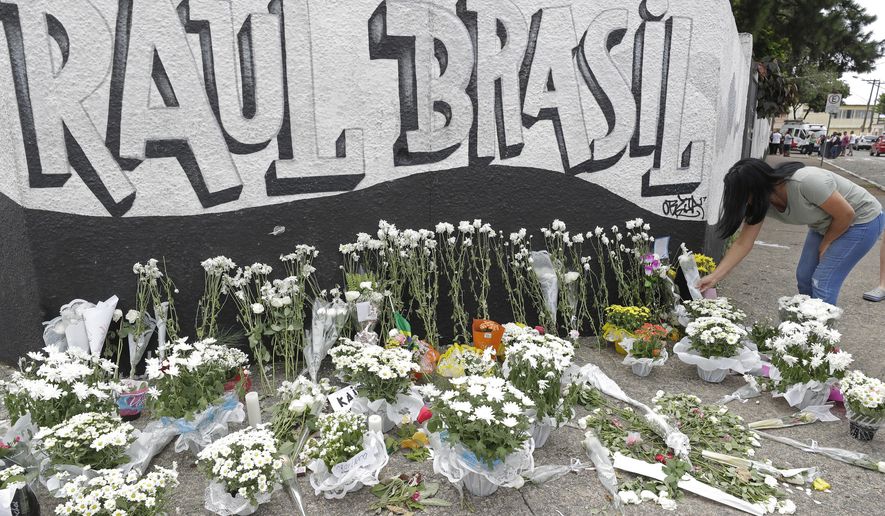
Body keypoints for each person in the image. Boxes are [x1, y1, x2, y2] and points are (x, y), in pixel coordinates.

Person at [698, 159, 884, 306]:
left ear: (756, 188)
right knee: (804, 277)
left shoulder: (806, 182)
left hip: (861, 220)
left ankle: (822, 343)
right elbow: (742, 243)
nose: (744, 203)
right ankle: (809, 326)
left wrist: (827, 243)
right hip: (825, 224)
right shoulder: (760, 202)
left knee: (823, 281)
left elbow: (846, 214)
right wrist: (714, 277)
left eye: (743, 197)